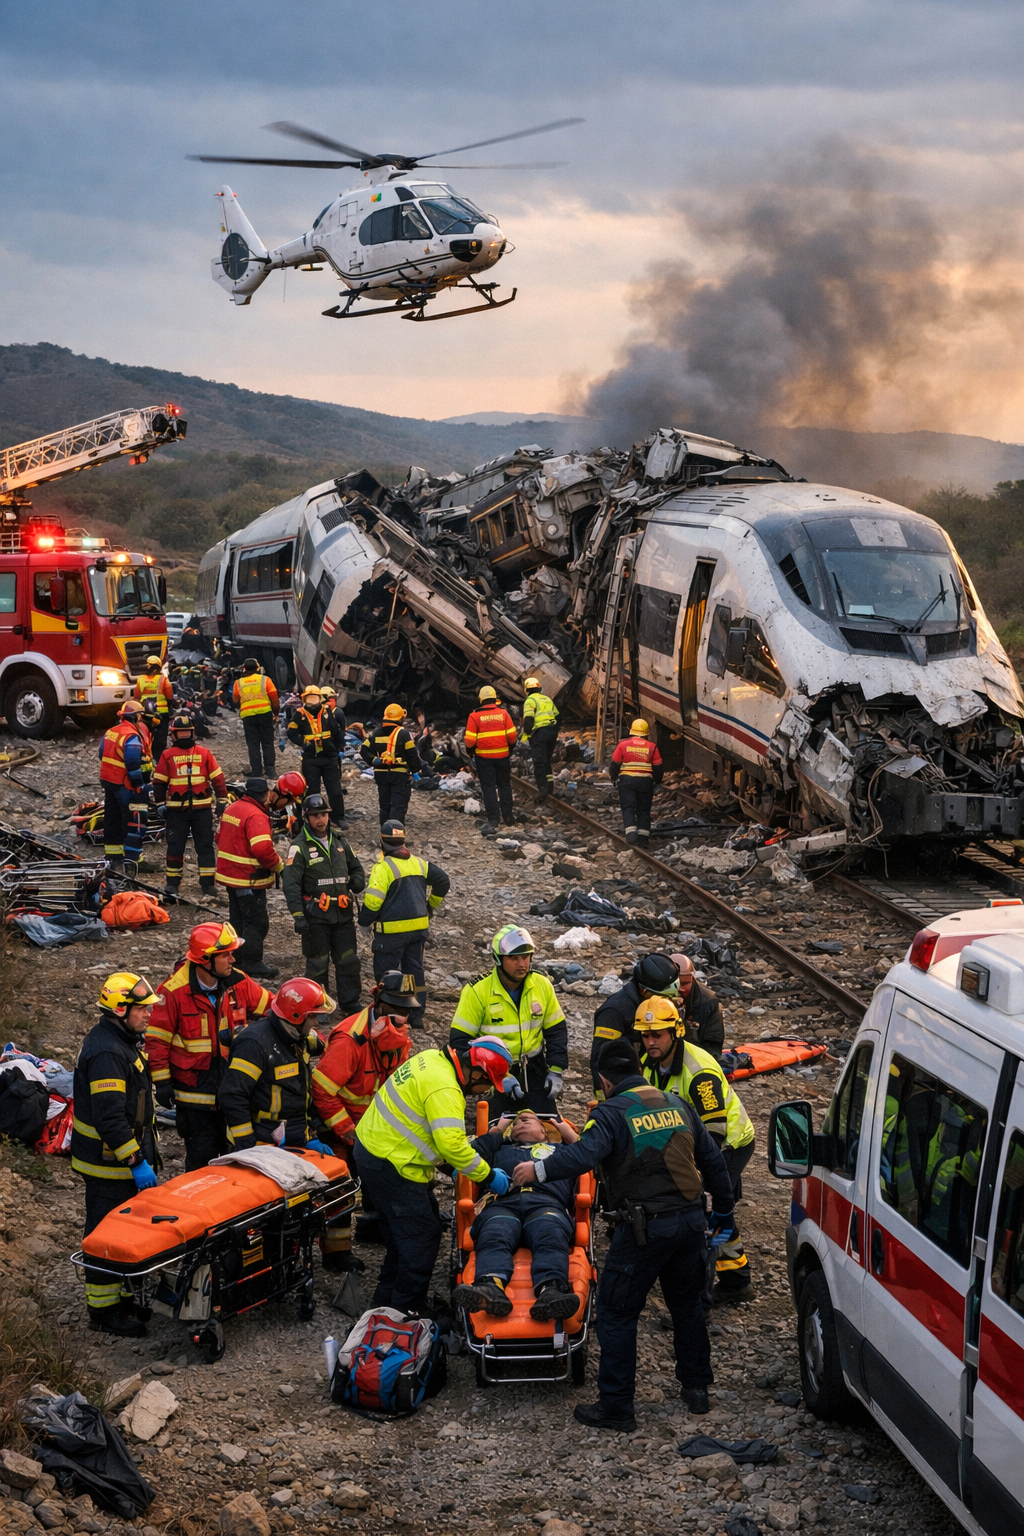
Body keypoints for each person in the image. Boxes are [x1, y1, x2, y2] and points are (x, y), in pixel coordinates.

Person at [512, 1038, 735, 1430]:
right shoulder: (676, 1103)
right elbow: (714, 1160)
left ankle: (616, 1406)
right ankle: (697, 1390)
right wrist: (725, 1213)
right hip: (689, 1224)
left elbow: (583, 1155)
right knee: (686, 1305)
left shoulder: (611, 1113)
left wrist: (538, 1170)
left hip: (644, 1229)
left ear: (603, 1078)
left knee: (616, 1312)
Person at [355, 1036, 518, 1315]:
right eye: (488, 1084)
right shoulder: (446, 1089)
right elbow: (451, 1144)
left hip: (375, 1149)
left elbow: (426, 1128)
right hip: (393, 1163)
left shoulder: (433, 1058)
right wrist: (489, 1176)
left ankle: (383, 1304)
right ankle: (405, 1313)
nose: (484, 1092)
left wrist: (451, 1167)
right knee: (421, 1240)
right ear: (476, 1072)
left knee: (403, 1236)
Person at [636, 996, 755, 1302]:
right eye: (645, 1035)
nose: (650, 1042)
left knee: (703, 1213)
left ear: (675, 1032)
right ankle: (737, 1277)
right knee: (717, 1214)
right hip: (693, 1145)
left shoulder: (698, 1071)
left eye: (657, 1035)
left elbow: (714, 1132)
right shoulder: (652, 1064)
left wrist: (698, 1176)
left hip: (727, 1145)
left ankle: (697, 1300)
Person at [71, 972, 161, 1337]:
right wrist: (136, 1162)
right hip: (108, 1165)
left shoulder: (121, 1040)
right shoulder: (108, 1052)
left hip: (118, 1163)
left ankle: (122, 1297)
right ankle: (103, 1311)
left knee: (122, 1233)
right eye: (142, 1010)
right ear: (121, 1009)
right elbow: (110, 1118)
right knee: (104, 1234)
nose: (149, 1015)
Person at [146, 922, 273, 1170]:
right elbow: (157, 1040)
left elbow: (273, 1008)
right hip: (194, 1098)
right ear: (205, 960)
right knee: (201, 1159)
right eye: (225, 954)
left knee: (238, 1158)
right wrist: (161, 1082)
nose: (232, 959)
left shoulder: (239, 983)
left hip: (234, 1092)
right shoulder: (174, 992)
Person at [311, 971, 413, 1268]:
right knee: (340, 1190)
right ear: (378, 1003)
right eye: (396, 1010)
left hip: (373, 1128)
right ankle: (336, 1254)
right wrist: (348, 1132)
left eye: (406, 1012)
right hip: (343, 1129)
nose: (402, 1018)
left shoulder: (395, 1037)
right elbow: (322, 1090)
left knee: (381, 1182)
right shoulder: (349, 1041)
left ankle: (371, 1229)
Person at [453, 1109, 583, 1322]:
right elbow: (470, 1155)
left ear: (544, 1132)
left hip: (546, 1203)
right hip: (503, 1203)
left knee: (550, 1235)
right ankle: (489, 1287)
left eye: (528, 1119)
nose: (520, 1122)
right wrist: (499, 1128)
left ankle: (550, 1291)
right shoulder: (499, 1149)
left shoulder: (560, 1150)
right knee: (494, 1234)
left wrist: (562, 1126)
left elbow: (586, 1152)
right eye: (516, 1123)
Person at [450, 925, 567, 1118]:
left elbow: (556, 1031)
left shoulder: (542, 985)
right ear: (498, 959)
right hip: (491, 1074)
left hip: (535, 1070)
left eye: (526, 956)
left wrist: (555, 1070)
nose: (522, 964)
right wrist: (498, 1075)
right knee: (493, 1133)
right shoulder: (477, 992)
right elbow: (459, 1042)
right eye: (514, 958)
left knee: (547, 1128)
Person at [217, 977, 333, 1152]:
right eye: (314, 1017)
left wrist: (307, 1136)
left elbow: (296, 1094)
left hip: (294, 1137)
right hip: (261, 1142)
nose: (317, 1023)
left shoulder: (298, 1037)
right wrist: (247, 1144)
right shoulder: (254, 1044)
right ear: (296, 1017)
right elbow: (232, 1095)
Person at [358, 819, 449, 1030]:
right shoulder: (418, 863)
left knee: (387, 974)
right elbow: (443, 880)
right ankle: (415, 1015)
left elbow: (373, 902)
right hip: (417, 931)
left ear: (382, 842)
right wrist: (429, 906)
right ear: (403, 840)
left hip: (391, 935)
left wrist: (364, 922)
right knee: (413, 972)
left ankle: (389, 1016)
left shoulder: (383, 868)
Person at [283, 793, 366, 1014]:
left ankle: (350, 1003)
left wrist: (358, 880)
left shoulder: (340, 841)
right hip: (316, 916)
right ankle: (317, 1005)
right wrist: (298, 916)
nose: (321, 820)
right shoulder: (299, 847)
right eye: (316, 816)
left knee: (349, 960)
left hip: (343, 913)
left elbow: (356, 867)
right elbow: (290, 884)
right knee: (317, 963)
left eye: (324, 815)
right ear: (307, 818)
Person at [151, 712, 228, 902]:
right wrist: (161, 804)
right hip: (176, 811)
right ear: (174, 735)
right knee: (175, 847)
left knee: (205, 847)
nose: (184, 736)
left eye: (187, 733)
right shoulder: (167, 755)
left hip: (202, 810)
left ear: (192, 733)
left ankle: (208, 884)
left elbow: (218, 778)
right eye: (181, 733)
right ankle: (173, 884)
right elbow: (159, 782)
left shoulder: (204, 753)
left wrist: (222, 800)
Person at [215, 777, 284, 979]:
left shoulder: (232, 808)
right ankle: (253, 962)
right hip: (248, 879)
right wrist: (279, 867)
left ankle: (236, 956)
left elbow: (219, 838)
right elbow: (262, 849)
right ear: (265, 795)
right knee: (256, 922)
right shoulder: (256, 816)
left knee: (237, 919)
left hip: (230, 876)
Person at [589, 952, 679, 1094]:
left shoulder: (660, 1006)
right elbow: (600, 1062)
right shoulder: (614, 1012)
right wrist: (605, 1102)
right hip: (625, 1090)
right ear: (643, 990)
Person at [98, 699, 153, 875]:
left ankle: (113, 859)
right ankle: (133, 861)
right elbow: (132, 762)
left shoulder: (111, 732)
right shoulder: (131, 736)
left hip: (109, 782)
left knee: (112, 819)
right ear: (136, 717)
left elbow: (101, 753)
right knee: (135, 820)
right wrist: (139, 784)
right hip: (125, 784)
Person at [286, 684, 348, 825]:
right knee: (312, 791)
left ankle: (338, 817)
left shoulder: (327, 712)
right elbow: (291, 732)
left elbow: (336, 731)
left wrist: (339, 747)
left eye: (315, 698)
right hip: (311, 758)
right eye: (310, 698)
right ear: (304, 699)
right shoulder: (300, 714)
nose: (313, 702)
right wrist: (302, 742)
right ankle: (313, 817)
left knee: (335, 790)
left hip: (329, 757)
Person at [464, 685, 519, 833]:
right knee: (504, 786)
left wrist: (471, 752)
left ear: (481, 699)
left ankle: (493, 820)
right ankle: (508, 818)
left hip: (484, 758)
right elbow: (512, 736)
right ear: (495, 698)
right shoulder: (503, 714)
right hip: (502, 757)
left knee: (488, 788)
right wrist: (509, 749)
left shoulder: (474, 716)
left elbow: (469, 741)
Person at [360, 703, 422, 826]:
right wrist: (416, 769)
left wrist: (374, 761)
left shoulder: (376, 732)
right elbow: (412, 755)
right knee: (398, 807)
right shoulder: (403, 734)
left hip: (381, 775)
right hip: (399, 776)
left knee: (385, 806)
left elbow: (363, 750)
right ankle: (395, 837)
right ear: (400, 718)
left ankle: (385, 834)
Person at [609, 719, 663, 846]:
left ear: (632, 731)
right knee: (644, 809)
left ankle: (631, 834)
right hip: (645, 782)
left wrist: (613, 777)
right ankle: (644, 839)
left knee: (628, 807)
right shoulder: (652, 747)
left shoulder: (623, 745)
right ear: (646, 733)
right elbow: (658, 767)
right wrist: (657, 781)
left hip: (627, 781)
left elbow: (615, 764)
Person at [669, 952, 725, 1059]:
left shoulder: (708, 1002)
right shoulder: (654, 994)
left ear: (693, 980)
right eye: (676, 984)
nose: (680, 989)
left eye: (685, 984)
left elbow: (714, 1047)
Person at [234, 658, 279, 777]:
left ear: (244, 669)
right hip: (265, 714)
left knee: (253, 744)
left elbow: (235, 700)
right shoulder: (265, 680)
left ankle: (256, 770)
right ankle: (271, 771)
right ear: (258, 668)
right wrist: (276, 713)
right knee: (268, 742)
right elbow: (274, 699)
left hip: (248, 716)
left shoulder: (238, 683)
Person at [520, 676, 559, 802]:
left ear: (526, 689)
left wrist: (528, 735)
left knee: (539, 762)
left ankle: (542, 789)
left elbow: (528, 721)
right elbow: (558, 717)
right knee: (546, 761)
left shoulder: (530, 701)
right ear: (539, 688)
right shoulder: (547, 699)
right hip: (552, 732)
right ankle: (549, 789)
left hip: (539, 733)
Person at [134, 655, 174, 760]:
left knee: (144, 733)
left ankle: (145, 755)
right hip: (161, 713)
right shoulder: (163, 679)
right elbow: (170, 696)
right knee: (160, 738)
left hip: (145, 713)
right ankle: (159, 758)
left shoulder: (140, 679)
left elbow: (136, 696)